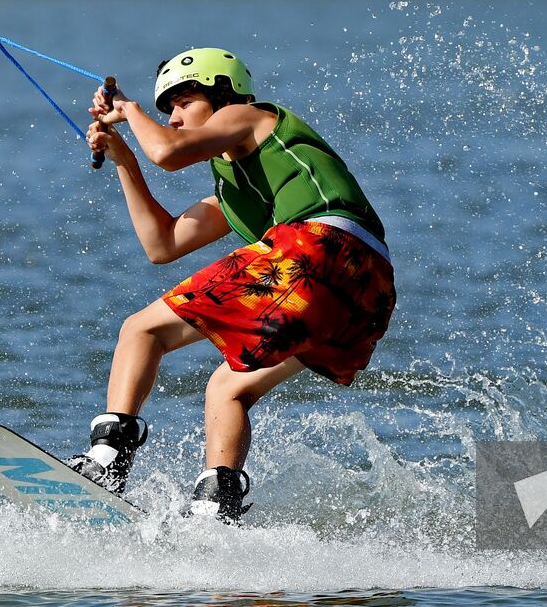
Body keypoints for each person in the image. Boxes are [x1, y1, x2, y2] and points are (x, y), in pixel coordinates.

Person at [66, 47, 395, 521]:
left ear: (223, 95)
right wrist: (123, 159)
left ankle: (106, 459)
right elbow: (162, 244)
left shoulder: (250, 116)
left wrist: (130, 110)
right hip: (362, 294)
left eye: (184, 103)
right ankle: (215, 510)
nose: (175, 118)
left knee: (141, 330)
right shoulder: (235, 192)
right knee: (227, 388)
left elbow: (167, 152)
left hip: (320, 247)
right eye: (169, 109)